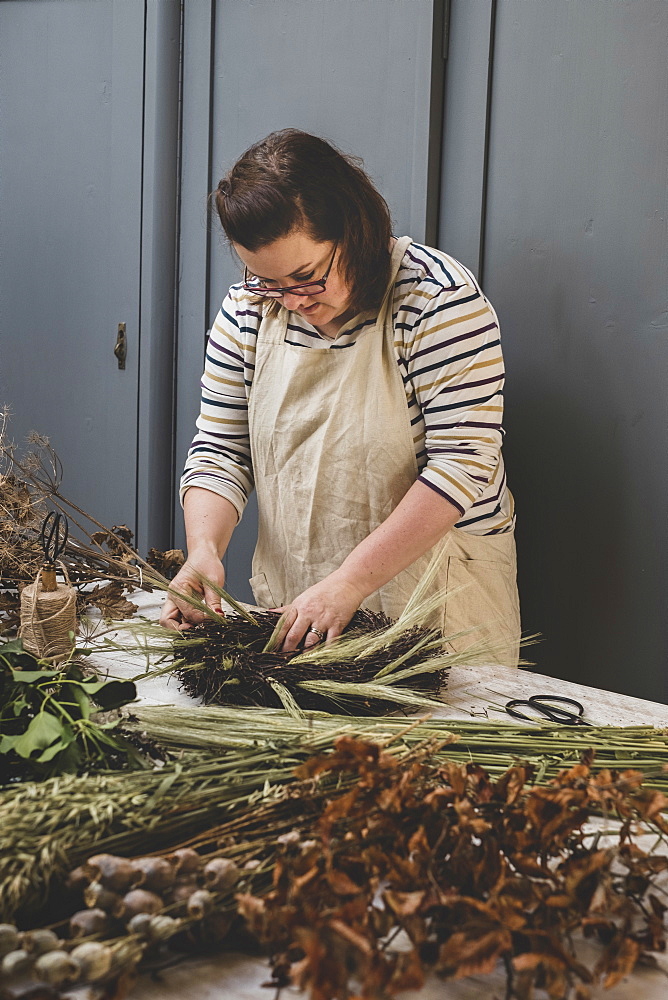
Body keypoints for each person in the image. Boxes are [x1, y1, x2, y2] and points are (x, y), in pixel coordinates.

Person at [161, 129, 520, 667]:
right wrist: (205, 552)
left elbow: (462, 465)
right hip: (301, 603)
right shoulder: (247, 310)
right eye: (267, 281)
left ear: (355, 230)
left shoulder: (437, 300)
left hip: (437, 597)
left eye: (307, 276)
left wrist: (350, 581)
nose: (292, 300)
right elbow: (222, 449)